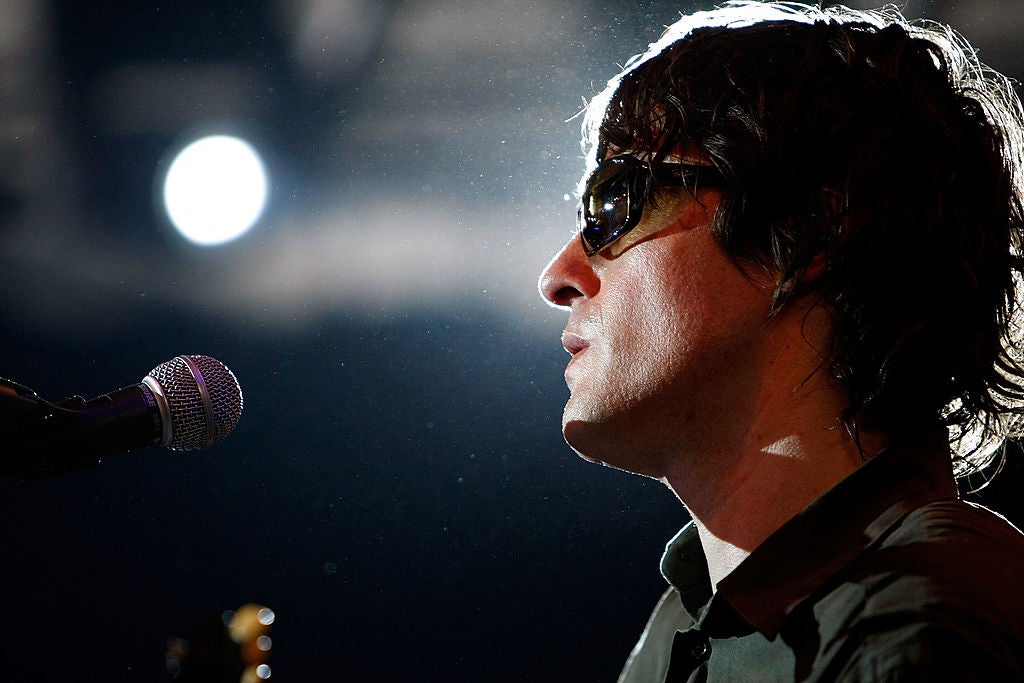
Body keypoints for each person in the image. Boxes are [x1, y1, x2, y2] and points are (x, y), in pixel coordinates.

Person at [538, 2, 1024, 680]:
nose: (558, 276)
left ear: (800, 232)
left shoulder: (918, 620)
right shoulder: (677, 630)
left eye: (614, 202)